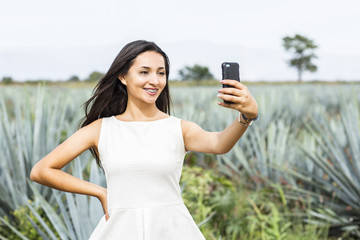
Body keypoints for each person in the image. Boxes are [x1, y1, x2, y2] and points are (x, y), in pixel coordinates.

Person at [30, 40, 258, 239]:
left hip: (174, 231)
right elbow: (42, 171)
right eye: (144, 72)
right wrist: (100, 192)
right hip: (119, 231)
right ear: (123, 77)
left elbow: (219, 144)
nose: (155, 81)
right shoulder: (101, 129)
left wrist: (247, 115)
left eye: (161, 72)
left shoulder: (179, 128)